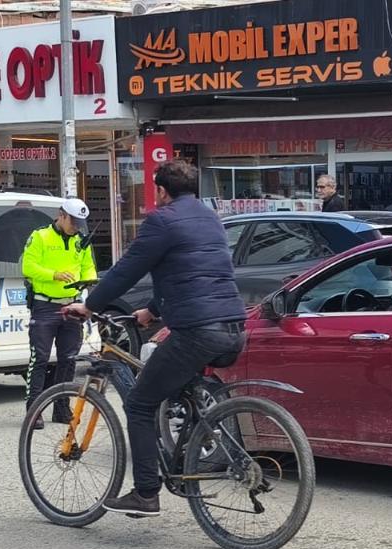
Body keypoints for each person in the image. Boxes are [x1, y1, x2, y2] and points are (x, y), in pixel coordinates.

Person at [65, 160, 246, 518]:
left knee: (139, 403)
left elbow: (125, 272)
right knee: (176, 387)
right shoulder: (211, 219)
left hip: (196, 330)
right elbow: (193, 274)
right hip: (233, 327)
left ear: (161, 191)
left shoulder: (162, 221)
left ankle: (146, 493)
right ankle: (189, 455)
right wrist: (151, 310)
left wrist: (89, 306)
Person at [21, 197, 97, 430]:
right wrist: (54, 275)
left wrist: (88, 281)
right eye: (73, 222)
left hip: (72, 305)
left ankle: (62, 408)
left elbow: (88, 267)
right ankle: (34, 410)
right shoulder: (40, 236)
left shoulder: (81, 241)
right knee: (40, 359)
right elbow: (28, 267)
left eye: (80, 223)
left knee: (69, 359)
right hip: (45, 305)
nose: (76, 227)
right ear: (61, 215)